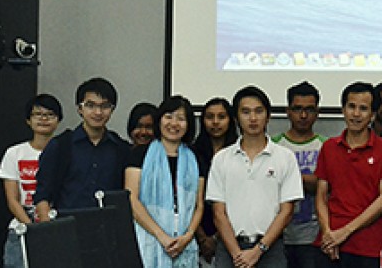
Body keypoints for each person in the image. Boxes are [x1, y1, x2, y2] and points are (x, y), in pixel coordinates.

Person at [207, 85, 303, 268]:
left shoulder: (285, 157)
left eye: (259, 111)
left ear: (268, 116)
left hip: (270, 249)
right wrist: (237, 254)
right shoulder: (221, 158)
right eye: (246, 112)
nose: (252, 118)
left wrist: (258, 250)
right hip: (229, 249)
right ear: (236, 118)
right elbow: (218, 213)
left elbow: (287, 211)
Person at [314, 82, 382, 267]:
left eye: (363, 108)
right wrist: (328, 232)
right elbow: (321, 195)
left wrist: (344, 232)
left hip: (367, 247)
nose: (356, 114)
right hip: (329, 245)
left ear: (373, 114)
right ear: (343, 109)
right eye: (351, 106)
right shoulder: (329, 147)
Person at [125, 95, 206, 266]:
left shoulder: (196, 159)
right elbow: (131, 199)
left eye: (181, 119)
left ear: (189, 124)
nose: (174, 124)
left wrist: (188, 236)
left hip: (184, 240)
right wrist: (162, 236)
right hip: (148, 238)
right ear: (159, 120)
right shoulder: (139, 154)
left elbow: (199, 205)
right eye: (168, 116)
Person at [33, 77, 131, 219]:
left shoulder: (120, 148)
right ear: (80, 109)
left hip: (108, 229)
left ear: (112, 109)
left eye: (105, 106)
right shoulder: (61, 145)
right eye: (90, 105)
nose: (98, 112)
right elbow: (43, 195)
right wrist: (50, 231)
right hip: (67, 227)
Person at [0, 94, 62, 268]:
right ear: (28, 120)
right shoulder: (14, 153)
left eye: (50, 114)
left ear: (58, 120)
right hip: (21, 229)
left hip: (58, 228)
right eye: (37, 114)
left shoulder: (65, 152)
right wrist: (32, 228)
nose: (43, 119)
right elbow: (12, 200)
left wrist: (47, 228)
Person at [271, 81, 327, 268]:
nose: (303, 115)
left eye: (309, 110)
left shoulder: (327, 146)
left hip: (314, 238)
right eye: (297, 109)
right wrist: (310, 180)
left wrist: (290, 177)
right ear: (288, 111)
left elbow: (328, 186)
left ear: (317, 112)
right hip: (277, 237)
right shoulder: (273, 146)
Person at [192, 97, 239, 266]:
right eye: (210, 117)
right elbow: (187, 198)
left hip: (233, 233)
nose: (215, 122)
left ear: (231, 120)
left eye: (221, 117)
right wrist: (203, 238)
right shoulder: (192, 154)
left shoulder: (239, 153)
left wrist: (216, 237)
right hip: (195, 232)